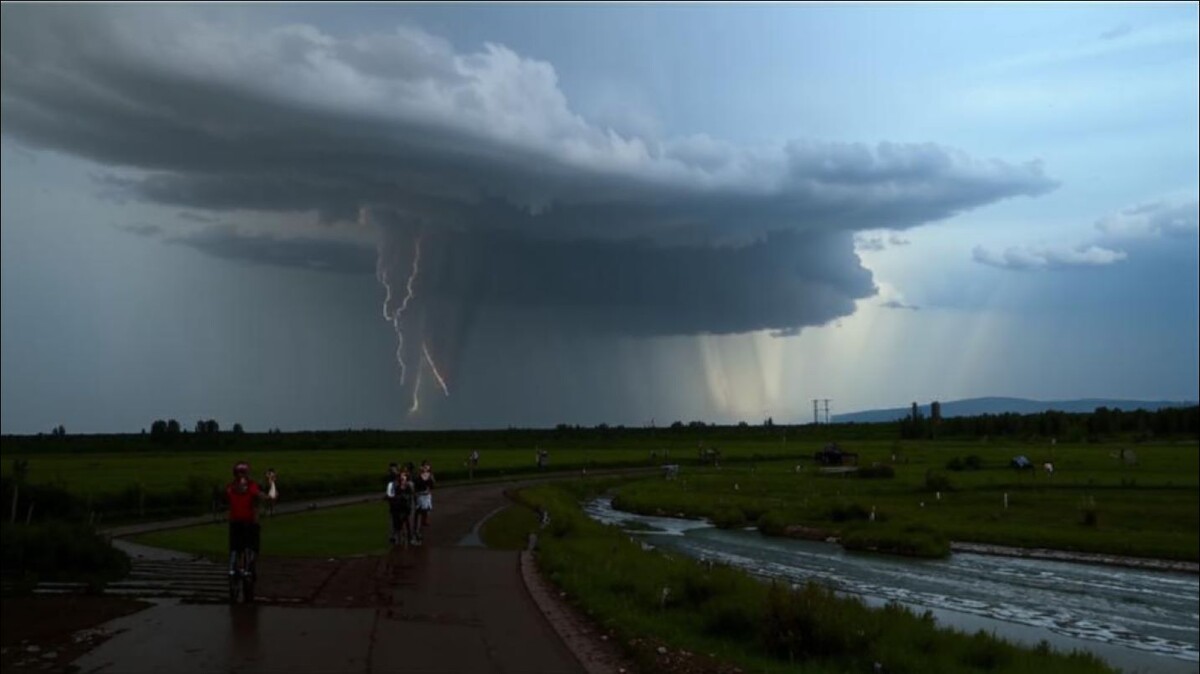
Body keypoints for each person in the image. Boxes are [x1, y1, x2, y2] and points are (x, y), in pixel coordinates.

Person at [226, 461, 276, 577]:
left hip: (234, 521)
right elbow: (260, 495)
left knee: (235, 546)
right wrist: (269, 495)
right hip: (249, 521)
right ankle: (249, 565)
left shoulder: (230, 487)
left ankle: (233, 566)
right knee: (252, 544)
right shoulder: (251, 486)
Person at [386, 468, 415, 546]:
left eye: (404, 476)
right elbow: (391, 497)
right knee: (397, 523)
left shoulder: (408, 486)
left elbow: (410, 496)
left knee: (407, 522)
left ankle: (409, 537)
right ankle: (398, 537)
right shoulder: (396, 486)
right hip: (397, 507)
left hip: (405, 507)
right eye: (401, 476)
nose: (403, 478)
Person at [413, 460, 435, 544]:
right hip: (419, 496)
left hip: (427, 496)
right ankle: (416, 531)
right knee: (418, 513)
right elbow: (416, 484)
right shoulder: (418, 476)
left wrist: (430, 479)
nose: (426, 467)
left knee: (425, 514)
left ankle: (420, 531)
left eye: (428, 466)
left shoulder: (430, 476)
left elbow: (432, 486)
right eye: (425, 466)